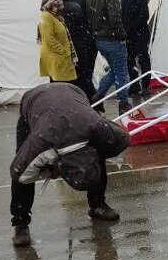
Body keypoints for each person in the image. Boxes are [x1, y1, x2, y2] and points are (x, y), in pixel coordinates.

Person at [9, 83, 131, 247]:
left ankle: (98, 205)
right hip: (34, 101)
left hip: (73, 92)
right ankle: (20, 222)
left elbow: (124, 138)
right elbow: (18, 173)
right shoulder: (40, 142)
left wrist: (94, 152)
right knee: (24, 169)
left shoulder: (99, 129)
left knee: (97, 152)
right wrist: (49, 170)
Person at [90, 0, 132, 115]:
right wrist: (122, 35)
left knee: (114, 71)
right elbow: (115, 19)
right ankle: (124, 103)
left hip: (99, 40)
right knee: (121, 72)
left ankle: (98, 97)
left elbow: (90, 18)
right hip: (113, 39)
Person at [52, 0, 97, 99]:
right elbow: (86, 24)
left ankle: (72, 101)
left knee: (64, 81)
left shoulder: (51, 12)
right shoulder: (76, 5)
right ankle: (90, 101)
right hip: (80, 46)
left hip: (65, 50)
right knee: (83, 76)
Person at [118, 0, 151, 97]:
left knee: (143, 60)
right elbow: (124, 15)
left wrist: (131, 28)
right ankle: (134, 85)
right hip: (128, 35)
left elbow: (144, 16)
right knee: (129, 61)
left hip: (140, 34)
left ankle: (146, 85)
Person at [37, 0, 78, 84]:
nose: (61, 7)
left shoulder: (56, 17)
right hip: (57, 58)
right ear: (50, 5)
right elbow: (49, 39)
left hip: (60, 57)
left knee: (63, 84)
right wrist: (63, 51)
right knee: (61, 85)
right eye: (57, 5)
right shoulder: (47, 17)